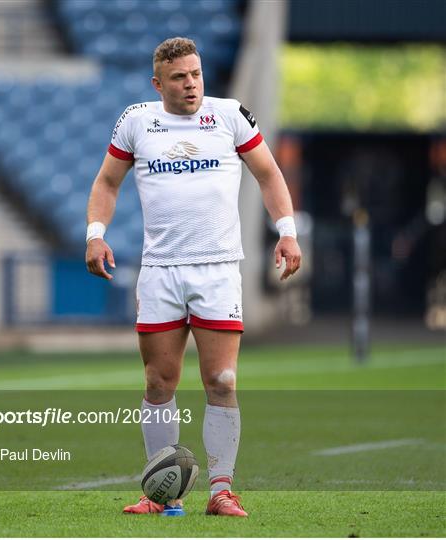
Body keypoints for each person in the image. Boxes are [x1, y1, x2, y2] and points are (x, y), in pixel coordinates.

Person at [85, 37, 301, 517]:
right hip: (160, 270)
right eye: (180, 77)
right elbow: (106, 181)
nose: (191, 84)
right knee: (159, 381)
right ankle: (161, 495)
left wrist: (286, 231)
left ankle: (222, 491)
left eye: (196, 74)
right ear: (157, 83)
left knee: (221, 379)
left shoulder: (229, 116)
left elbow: (268, 173)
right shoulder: (136, 121)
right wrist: (95, 235)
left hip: (219, 268)